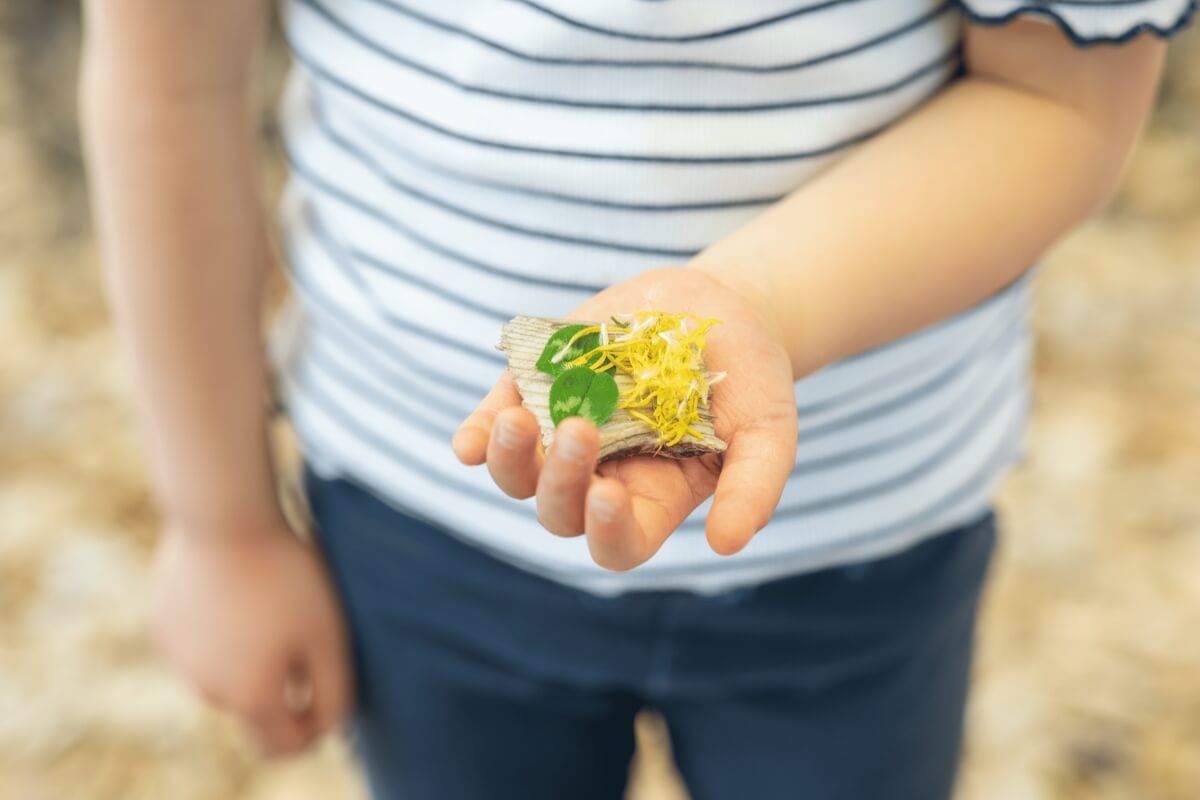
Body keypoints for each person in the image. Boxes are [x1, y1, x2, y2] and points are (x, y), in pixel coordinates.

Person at [80, 1, 1194, 798]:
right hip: (413, 511)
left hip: (861, 534)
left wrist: (758, 298)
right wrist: (218, 520)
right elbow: (165, 70)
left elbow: (1060, 98)